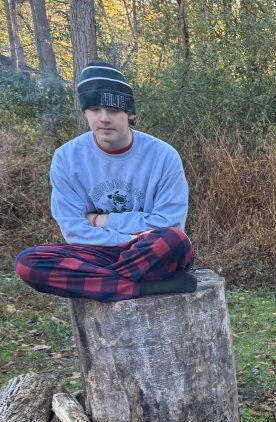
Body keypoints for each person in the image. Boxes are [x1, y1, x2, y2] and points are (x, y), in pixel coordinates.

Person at [15, 61, 196, 302]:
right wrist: (126, 239)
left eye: (113, 110)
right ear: (85, 112)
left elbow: (169, 223)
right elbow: (73, 229)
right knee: (28, 263)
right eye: (94, 109)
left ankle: (103, 283)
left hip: (149, 251)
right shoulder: (66, 157)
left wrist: (101, 220)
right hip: (98, 250)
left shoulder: (163, 155)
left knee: (174, 241)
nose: (104, 119)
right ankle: (145, 287)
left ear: (130, 113)